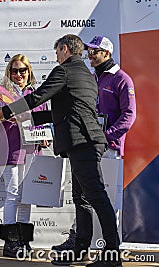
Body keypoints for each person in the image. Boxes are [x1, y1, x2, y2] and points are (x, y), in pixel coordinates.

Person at [0, 34, 122, 267]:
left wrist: (8, 111)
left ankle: (112, 253)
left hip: (82, 141)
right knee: (81, 198)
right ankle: (80, 249)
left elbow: (38, 96)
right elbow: (63, 112)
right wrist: (28, 117)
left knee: (96, 197)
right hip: (84, 141)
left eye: (56, 52)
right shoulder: (86, 74)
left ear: (64, 49)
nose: (56, 57)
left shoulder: (63, 71)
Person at [51, 36, 136, 253]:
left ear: (106, 53)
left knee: (105, 199)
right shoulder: (89, 78)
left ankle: (110, 248)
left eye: (95, 51)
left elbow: (129, 115)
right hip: (87, 144)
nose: (90, 55)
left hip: (109, 148)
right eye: (88, 51)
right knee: (82, 196)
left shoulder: (121, 79)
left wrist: (105, 136)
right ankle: (80, 241)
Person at [0, 54, 48, 258]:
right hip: (10, 150)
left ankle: (24, 241)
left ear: (29, 72)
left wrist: (46, 136)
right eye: (14, 70)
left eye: (23, 70)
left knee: (27, 197)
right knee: (13, 195)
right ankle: (10, 243)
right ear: (8, 73)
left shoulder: (36, 94)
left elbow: (44, 120)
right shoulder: (0, 94)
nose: (18, 74)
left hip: (32, 152)